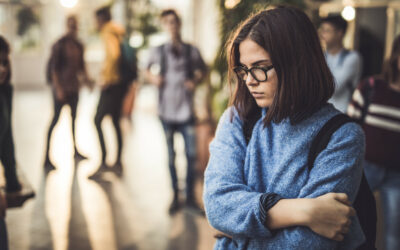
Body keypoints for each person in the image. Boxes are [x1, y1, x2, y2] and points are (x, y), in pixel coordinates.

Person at [203, 6, 366, 249]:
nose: (249, 80)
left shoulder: (341, 136)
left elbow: (308, 243)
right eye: (244, 69)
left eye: (259, 67)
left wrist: (235, 230)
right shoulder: (238, 118)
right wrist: (304, 211)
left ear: (296, 63)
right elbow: (217, 206)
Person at [145, 9, 208, 214]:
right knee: (171, 156)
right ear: (164, 26)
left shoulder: (191, 50)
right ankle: (175, 196)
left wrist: (195, 80)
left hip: (186, 111)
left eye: (174, 22)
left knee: (190, 155)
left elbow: (203, 70)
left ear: (179, 24)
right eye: (167, 22)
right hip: (166, 112)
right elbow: (145, 70)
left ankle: (190, 196)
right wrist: (154, 79)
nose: (172, 26)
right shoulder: (159, 51)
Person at [347, 35, 400, 250]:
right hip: (363, 168)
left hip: (397, 175)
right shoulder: (371, 87)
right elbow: (348, 130)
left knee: (394, 236)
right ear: (395, 56)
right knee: (349, 225)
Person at [44, 15, 93, 170]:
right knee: (55, 120)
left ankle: (75, 150)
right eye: (71, 25)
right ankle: (46, 157)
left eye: (75, 25)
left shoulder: (79, 45)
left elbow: (82, 67)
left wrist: (88, 81)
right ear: (66, 26)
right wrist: (58, 89)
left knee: (74, 120)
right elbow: (54, 69)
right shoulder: (59, 44)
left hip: (74, 88)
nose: (73, 28)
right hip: (61, 89)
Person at [89, 6, 131, 179]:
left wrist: (106, 78)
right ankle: (118, 163)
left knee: (97, 120)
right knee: (114, 121)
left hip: (112, 84)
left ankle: (104, 162)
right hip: (120, 84)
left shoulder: (108, 32)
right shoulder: (118, 31)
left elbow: (113, 56)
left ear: (101, 19)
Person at [0, 35, 35, 206]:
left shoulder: (5, 90)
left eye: (4, 63)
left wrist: (12, 181)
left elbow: (6, 141)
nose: (1, 69)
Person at [319, 15, 362, 113]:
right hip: (323, 112)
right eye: (322, 30)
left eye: (327, 31)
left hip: (343, 112)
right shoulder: (322, 56)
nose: (323, 34)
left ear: (340, 33)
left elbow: (334, 87)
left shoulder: (352, 57)